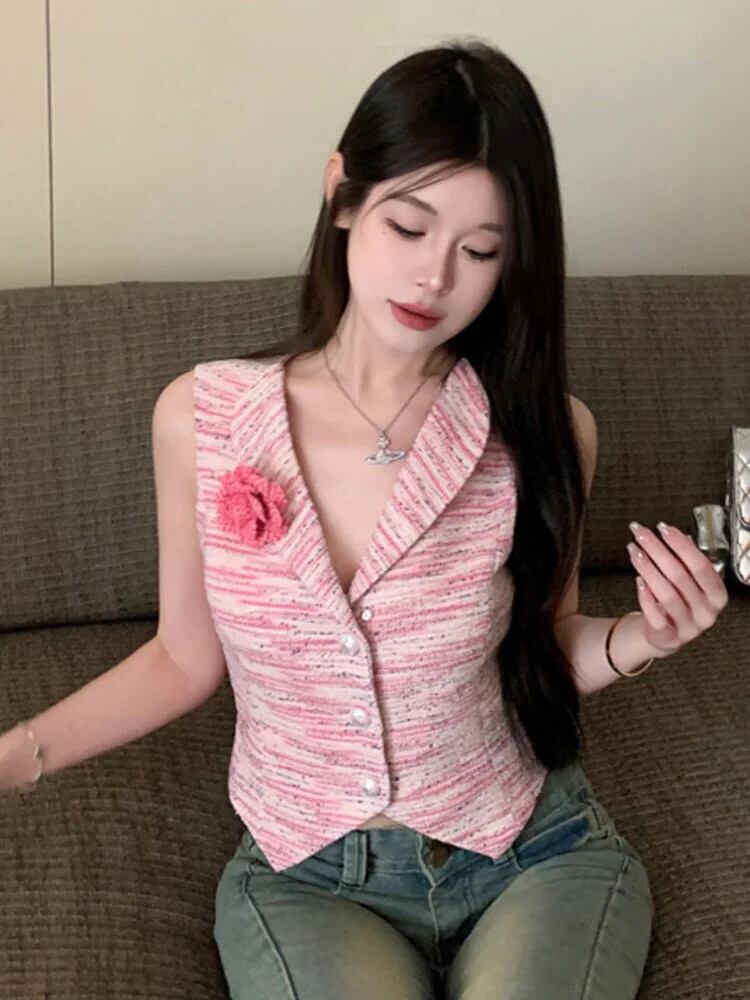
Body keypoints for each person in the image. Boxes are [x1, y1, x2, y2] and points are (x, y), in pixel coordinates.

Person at [2, 37, 729, 1000]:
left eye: (479, 251)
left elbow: (545, 649)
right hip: (309, 878)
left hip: (535, 853)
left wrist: (645, 637)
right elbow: (182, 658)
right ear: (343, 194)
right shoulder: (203, 417)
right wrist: (21, 753)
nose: (434, 278)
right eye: (409, 226)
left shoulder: (544, 432)